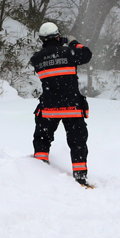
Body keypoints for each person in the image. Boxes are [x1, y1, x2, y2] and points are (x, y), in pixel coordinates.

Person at [30, 21, 92, 187]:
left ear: (42, 39)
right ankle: (80, 177)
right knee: (77, 142)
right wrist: (73, 43)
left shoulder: (37, 58)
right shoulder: (70, 52)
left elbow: (48, 58)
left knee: (42, 138)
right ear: (58, 36)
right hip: (71, 106)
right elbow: (87, 54)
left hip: (49, 108)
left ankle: (39, 170)